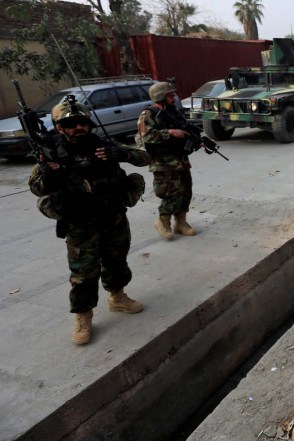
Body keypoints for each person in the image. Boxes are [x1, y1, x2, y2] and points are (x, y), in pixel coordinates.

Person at [28, 98, 150, 345]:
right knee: (84, 272)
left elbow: (144, 157)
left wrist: (120, 153)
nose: (78, 128)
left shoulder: (102, 144)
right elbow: (36, 187)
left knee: (116, 259)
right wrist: (48, 173)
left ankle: (117, 297)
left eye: (82, 122)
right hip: (80, 222)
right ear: (60, 128)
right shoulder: (51, 152)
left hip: (112, 214)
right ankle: (83, 315)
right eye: (71, 124)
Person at [138, 81, 199, 241]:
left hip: (180, 159)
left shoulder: (172, 112)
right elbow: (146, 136)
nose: (173, 98)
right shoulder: (148, 114)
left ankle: (180, 222)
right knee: (171, 193)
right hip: (163, 162)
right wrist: (169, 132)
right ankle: (163, 221)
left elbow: (185, 128)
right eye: (170, 95)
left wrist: (194, 140)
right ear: (160, 97)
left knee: (186, 191)